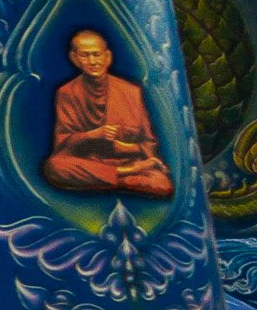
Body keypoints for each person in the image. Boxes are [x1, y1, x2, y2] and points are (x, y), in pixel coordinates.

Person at [44, 26, 171, 199]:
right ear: (74, 59)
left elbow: (149, 142)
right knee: (54, 166)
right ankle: (125, 176)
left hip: (125, 160)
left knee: (162, 184)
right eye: (84, 55)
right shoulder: (66, 93)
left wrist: (128, 147)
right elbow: (62, 143)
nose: (92, 61)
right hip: (91, 162)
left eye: (96, 54)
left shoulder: (130, 91)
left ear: (107, 57)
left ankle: (112, 177)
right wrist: (92, 135)